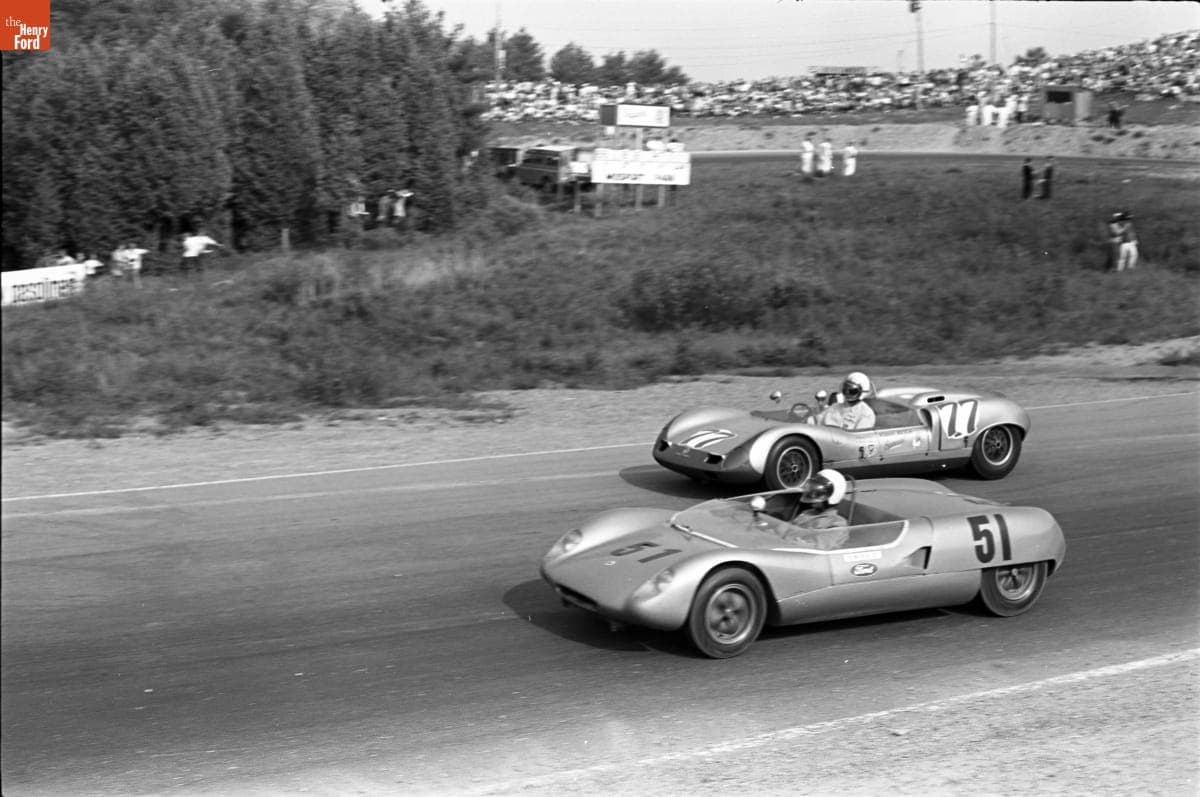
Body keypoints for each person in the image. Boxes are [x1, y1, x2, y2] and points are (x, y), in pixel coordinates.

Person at [783, 469, 850, 550]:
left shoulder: (837, 523)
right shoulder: (807, 513)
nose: (812, 496)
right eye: (811, 492)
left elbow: (818, 547)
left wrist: (791, 541)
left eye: (817, 494)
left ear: (831, 496)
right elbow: (784, 529)